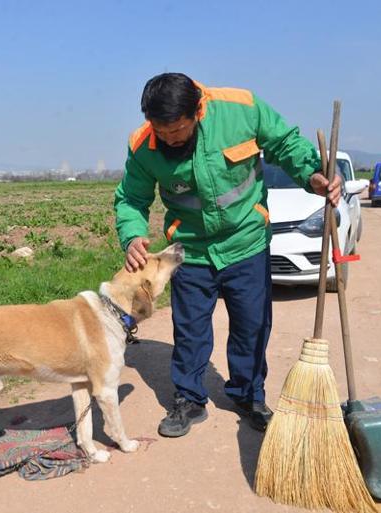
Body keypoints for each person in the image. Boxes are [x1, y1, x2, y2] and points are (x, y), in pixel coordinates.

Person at [114, 73, 341, 436]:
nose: (170, 138)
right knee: (189, 331)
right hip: (193, 251)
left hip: (246, 243)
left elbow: (285, 143)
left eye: (179, 129)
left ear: (198, 111)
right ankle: (189, 399)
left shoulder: (242, 110)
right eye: (163, 130)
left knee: (252, 327)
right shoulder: (143, 146)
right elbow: (131, 198)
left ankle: (248, 395)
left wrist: (312, 174)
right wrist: (132, 236)